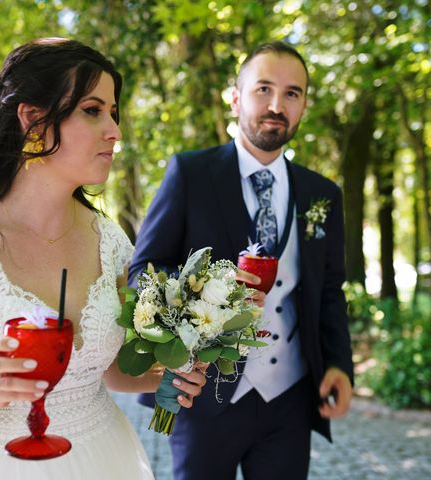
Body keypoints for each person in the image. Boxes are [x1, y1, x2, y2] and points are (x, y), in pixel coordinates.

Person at [0, 37, 207, 480]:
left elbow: (110, 371)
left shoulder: (110, 240)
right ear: (33, 119)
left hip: (102, 458)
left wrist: (171, 371)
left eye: (114, 112)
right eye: (92, 110)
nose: (115, 130)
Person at [129, 41, 354, 479]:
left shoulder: (321, 194)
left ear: (304, 104)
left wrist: (338, 365)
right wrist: (203, 300)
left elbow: (329, 290)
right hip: (202, 394)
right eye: (263, 88)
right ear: (235, 97)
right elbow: (146, 271)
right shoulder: (190, 174)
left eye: (292, 93)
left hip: (289, 398)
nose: (276, 104)